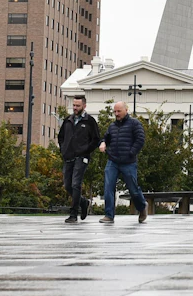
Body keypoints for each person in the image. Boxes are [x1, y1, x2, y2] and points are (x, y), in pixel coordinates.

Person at [99, 101, 148, 224]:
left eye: (119, 111)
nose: (116, 114)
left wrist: (131, 152)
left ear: (126, 110)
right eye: (115, 111)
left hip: (128, 162)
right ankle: (109, 215)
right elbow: (106, 137)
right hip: (113, 161)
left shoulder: (134, 124)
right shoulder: (112, 126)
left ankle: (142, 207)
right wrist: (103, 143)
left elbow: (140, 139)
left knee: (133, 189)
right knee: (108, 187)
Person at [58, 95, 101, 224]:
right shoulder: (68, 120)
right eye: (74, 105)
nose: (75, 108)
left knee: (76, 184)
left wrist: (85, 150)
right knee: (67, 185)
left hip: (81, 157)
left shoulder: (90, 121)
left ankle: (73, 213)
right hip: (68, 156)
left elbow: (96, 139)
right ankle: (83, 202)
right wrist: (63, 150)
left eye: (78, 106)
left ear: (84, 106)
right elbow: (61, 137)